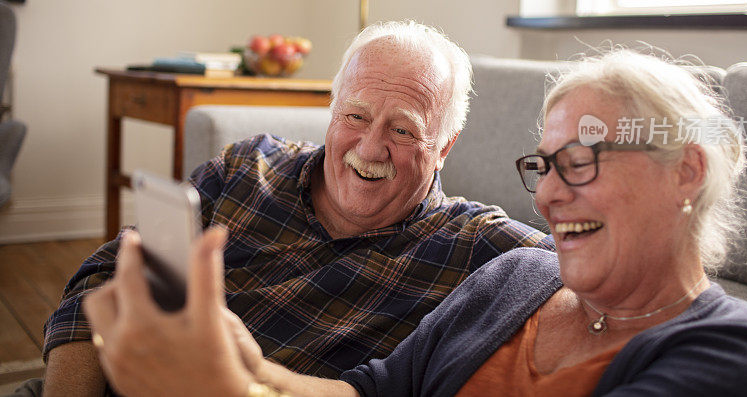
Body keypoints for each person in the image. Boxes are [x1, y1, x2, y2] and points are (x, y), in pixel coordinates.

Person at [84, 49, 747, 396]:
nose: (548, 196)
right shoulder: (517, 275)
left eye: (581, 160)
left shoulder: (744, 355)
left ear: (687, 171)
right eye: (542, 166)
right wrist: (250, 363)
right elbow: (368, 394)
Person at [41, 21, 553, 395]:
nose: (371, 149)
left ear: (444, 146)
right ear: (331, 111)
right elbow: (100, 279)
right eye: (356, 115)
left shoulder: (478, 250)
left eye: (403, 130)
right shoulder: (248, 169)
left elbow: (590, 271)